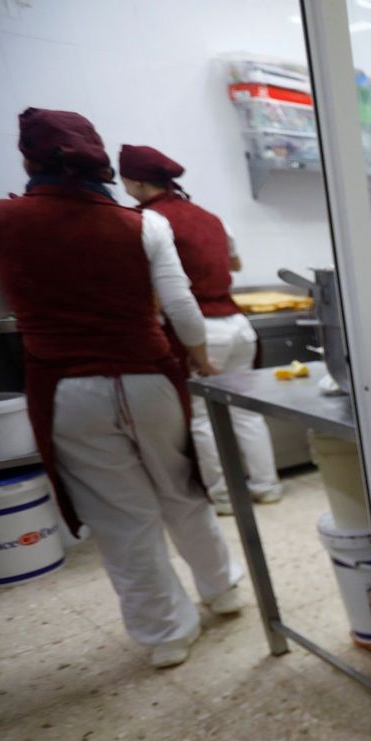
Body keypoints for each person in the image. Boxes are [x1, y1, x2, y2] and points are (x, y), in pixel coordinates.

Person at [0, 109, 246, 669]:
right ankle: (223, 590)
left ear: (29, 159)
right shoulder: (142, 224)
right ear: (100, 162)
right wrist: (199, 356)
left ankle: (166, 635)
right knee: (183, 490)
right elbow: (180, 307)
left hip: (65, 387)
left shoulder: (3, 220)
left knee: (121, 517)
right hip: (149, 377)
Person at [119, 144, 282, 514]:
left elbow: (157, 289)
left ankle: (224, 497)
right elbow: (235, 263)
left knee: (203, 417)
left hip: (201, 329)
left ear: (136, 182)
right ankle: (267, 487)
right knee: (247, 412)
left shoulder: (146, 222)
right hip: (239, 326)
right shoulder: (210, 217)